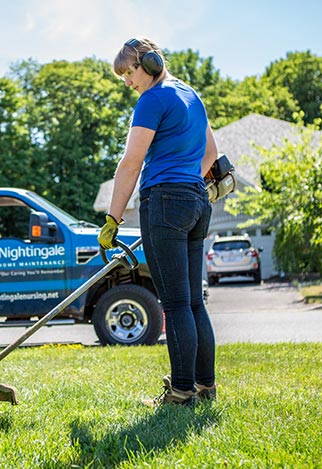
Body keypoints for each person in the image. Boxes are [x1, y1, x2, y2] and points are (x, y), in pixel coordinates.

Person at [98, 37, 218, 406]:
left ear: (148, 63)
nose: (127, 82)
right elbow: (212, 153)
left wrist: (112, 220)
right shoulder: (190, 95)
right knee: (194, 302)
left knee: (176, 303)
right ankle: (204, 386)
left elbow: (131, 162)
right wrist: (187, 182)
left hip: (164, 202)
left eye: (129, 72)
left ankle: (181, 392)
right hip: (196, 201)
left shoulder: (152, 99)